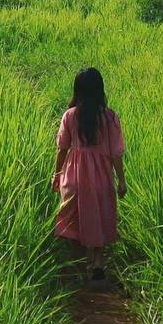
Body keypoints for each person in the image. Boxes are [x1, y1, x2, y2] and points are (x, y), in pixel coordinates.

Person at [52, 67, 126, 282]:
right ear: (100, 90)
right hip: (101, 177)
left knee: (74, 218)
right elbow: (116, 154)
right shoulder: (110, 118)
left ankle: (79, 265)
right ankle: (98, 262)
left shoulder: (70, 116)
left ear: (78, 91)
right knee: (99, 216)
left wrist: (57, 174)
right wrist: (121, 180)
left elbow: (62, 149)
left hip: (74, 176)